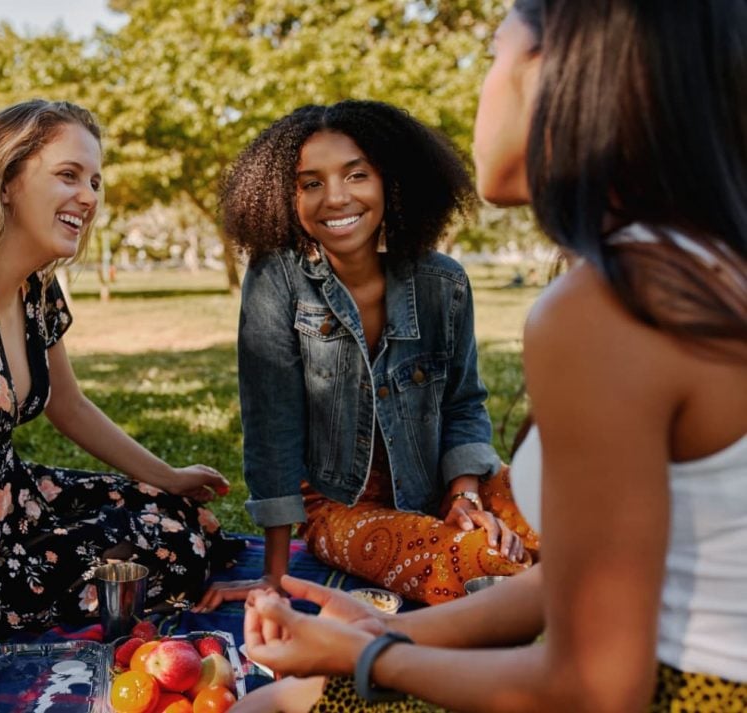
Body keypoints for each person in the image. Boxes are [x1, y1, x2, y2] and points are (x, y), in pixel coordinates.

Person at [235, 0, 747, 710]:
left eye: (492, 56)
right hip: (358, 513)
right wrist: (383, 634)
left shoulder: (609, 305)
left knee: (268, 704)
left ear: (558, 74)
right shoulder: (703, 264)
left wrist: (374, 655)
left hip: (695, 692)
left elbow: (596, 690)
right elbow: (566, 578)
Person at [0, 99, 242, 697]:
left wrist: (171, 477)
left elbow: (70, 406)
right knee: (175, 548)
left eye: (94, 181)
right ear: (7, 180)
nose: (88, 195)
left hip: (17, 499)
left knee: (182, 515)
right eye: (68, 174)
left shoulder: (36, 288)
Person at [197, 99, 538, 613]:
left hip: (444, 484)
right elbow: (272, 429)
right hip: (341, 507)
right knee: (475, 561)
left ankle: (549, 580)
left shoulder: (444, 282)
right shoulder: (277, 280)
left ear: (390, 182)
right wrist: (273, 576)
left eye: (356, 175)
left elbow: (464, 404)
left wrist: (465, 498)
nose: (335, 198)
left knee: (580, 509)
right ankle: (537, 586)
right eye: (310, 183)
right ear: (284, 198)